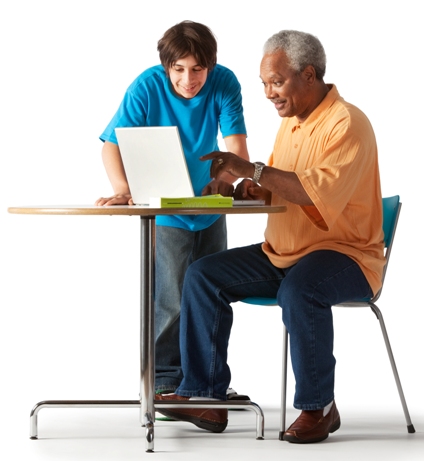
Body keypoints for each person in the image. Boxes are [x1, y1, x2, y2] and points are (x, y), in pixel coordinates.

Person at [156, 29, 386, 443]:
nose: (268, 93)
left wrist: (252, 169)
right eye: (263, 83)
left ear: (309, 75)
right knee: (203, 275)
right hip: (285, 252)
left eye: (276, 82)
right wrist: (239, 188)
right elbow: (276, 187)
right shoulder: (294, 123)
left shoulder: (346, 123)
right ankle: (207, 399)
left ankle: (319, 408)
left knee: (301, 290)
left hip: (346, 255)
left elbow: (311, 191)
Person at [95, 20, 249, 395]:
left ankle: (207, 382)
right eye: (178, 69)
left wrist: (226, 180)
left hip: (210, 206)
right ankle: (165, 383)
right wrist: (123, 188)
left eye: (198, 69)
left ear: (210, 65)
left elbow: (238, 151)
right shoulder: (147, 85)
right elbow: (111, 144)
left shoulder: (224, 83)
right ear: (167, 66)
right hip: (164, 208)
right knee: (171, 301)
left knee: (213, 298)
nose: (188, 79)